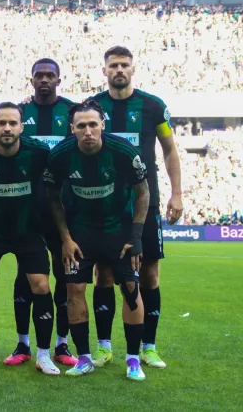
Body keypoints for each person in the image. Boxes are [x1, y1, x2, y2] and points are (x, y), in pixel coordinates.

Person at [89, 46, 183, 369]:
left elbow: (170, 149)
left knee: (149, 273)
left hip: (146, 202)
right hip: (103, 205)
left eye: (124, 65)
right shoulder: (93, 107)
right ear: (104, 70)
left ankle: (148, 346)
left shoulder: (153, 106)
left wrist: (176, 194)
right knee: (103, 273)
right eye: (113, 65)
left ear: (133, 69)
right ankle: (103, 347)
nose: (119, 70)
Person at [44, 100, 149, 381]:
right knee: (74, 289)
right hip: (80, 232)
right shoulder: (60, 156)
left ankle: (133, 359)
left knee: (131, 288)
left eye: (93, 124)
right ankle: (84, 359)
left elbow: (143, 193)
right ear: (72, 129)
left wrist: (136, 236)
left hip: (119, 229)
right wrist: (65, 239)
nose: (88, 131)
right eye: (81, 126)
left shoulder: (123, 152)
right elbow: (53, 199)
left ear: (103, 124)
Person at [0, 102, 59, 376]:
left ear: (22, 127)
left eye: (12, 123)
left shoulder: (40, 153)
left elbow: (54, 189)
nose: (7, 128)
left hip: (28, 231)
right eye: (2, 123)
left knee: (41, 285)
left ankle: (43, 355)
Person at [6, 58, 77, 367]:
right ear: (31, 79)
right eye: (39, 75)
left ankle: (61, 344)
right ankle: (22, 344)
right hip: (29, 210)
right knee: (25, 276)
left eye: (50, 75)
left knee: (64, 277)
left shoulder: (72, 112)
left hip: (65, 210)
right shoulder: (20, 112)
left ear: (59, 79)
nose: (45, 80)